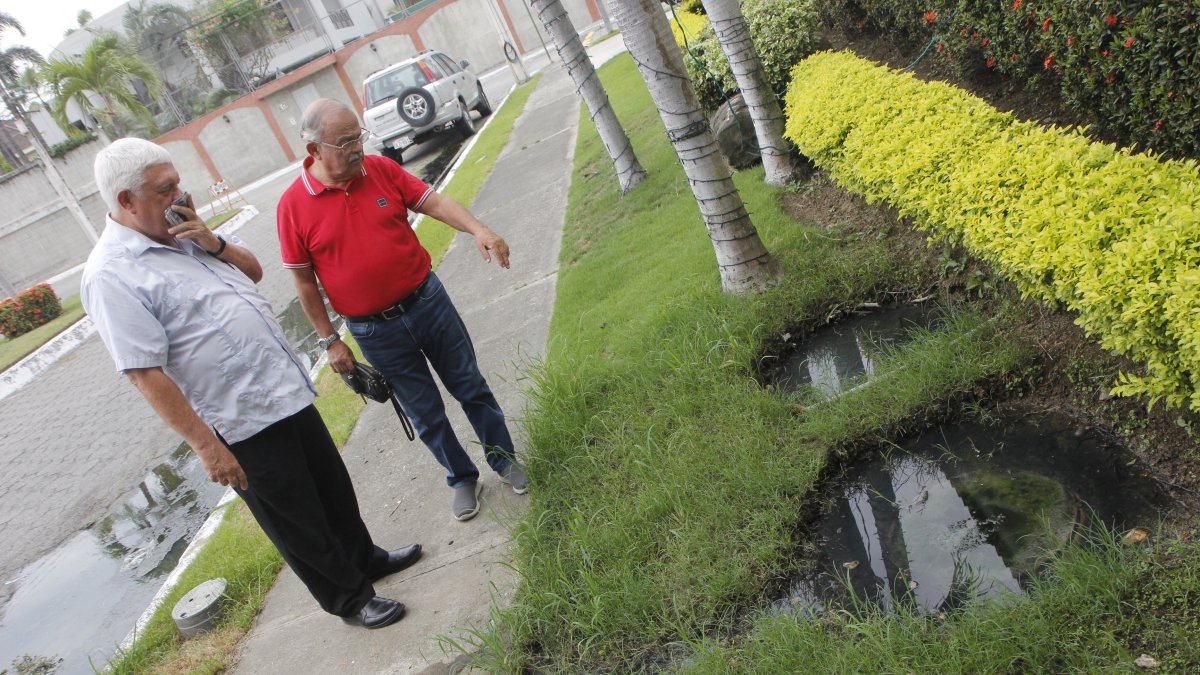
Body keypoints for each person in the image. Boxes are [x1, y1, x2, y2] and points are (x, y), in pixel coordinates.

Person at [81, 138, 420, 630]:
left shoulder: (182, 233)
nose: (181, 193)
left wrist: (211, 241)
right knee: (296, 518)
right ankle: (348, 599)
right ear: (126, 202)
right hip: (237, 421)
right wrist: (206, 447)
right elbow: (142, 371)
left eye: (177, 180)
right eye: (165, 188)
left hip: (282, 389)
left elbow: (255, 273)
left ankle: (365, 559)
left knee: (332, 490)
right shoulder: (112, 274)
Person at [278, 99, 528, 522]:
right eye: (345, 142)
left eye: (359, 136)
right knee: (425, 413)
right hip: (376, 333)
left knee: (470, 386)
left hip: (427, 302)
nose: (358, 148)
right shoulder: (292, 206)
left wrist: (478, 229)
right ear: (314, 149)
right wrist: (330, 341)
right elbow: (304, 282)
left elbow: (433, 202)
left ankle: (504, 460)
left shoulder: (380, 169)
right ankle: (461, 477)